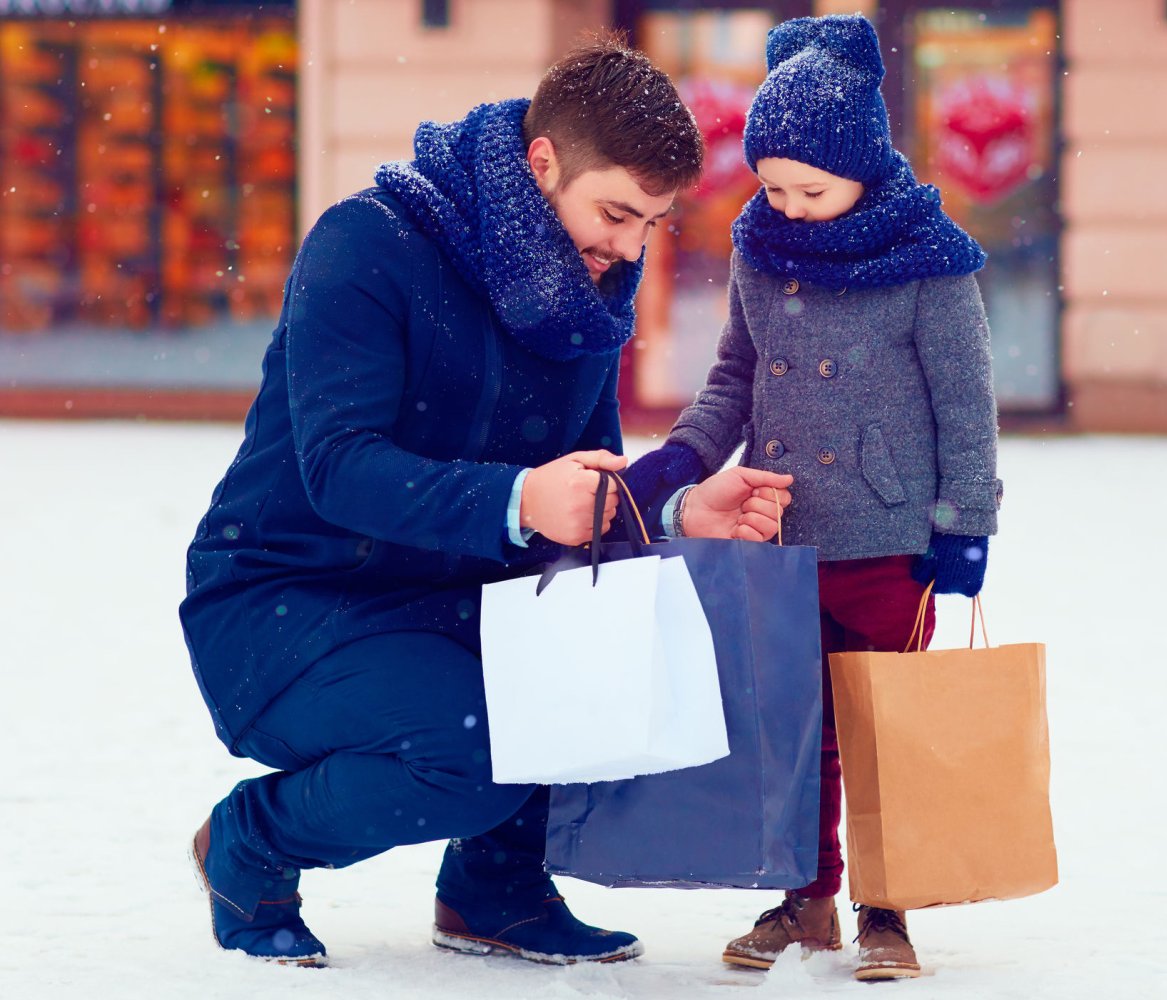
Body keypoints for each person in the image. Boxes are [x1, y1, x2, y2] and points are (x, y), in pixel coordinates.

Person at [179, 34, 792, 968]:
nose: (627, 249)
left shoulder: (584, 293)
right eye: (616, 214)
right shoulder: (367, 245)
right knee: (470, 751)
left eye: (649, 225)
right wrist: (516, 500)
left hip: (451, 604)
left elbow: (583, 487)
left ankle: (493, 890)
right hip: (287, 601)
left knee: (607, 679)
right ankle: (251, 843)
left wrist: (673, 514)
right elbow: (338, 468)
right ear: (543, 162)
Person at [635, 14, 1001, 981]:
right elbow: (734, 377)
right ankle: (806, 898)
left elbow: (966, 406)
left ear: (864, 170)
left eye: (812, 188)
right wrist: (681, 459)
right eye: (771, 186)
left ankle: (889, 906)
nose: (789, 206)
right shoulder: (763, 252)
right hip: (783, 529)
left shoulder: (931, 261)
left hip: (890, 538)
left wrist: (966, 525)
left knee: (885, 727)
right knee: (797, 727)